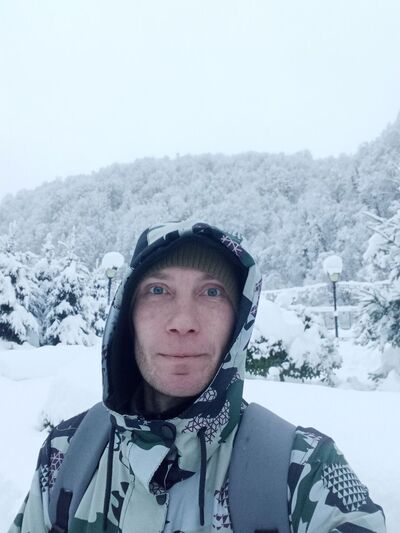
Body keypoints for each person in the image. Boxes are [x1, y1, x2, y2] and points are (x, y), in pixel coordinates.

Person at [9, 221, 386, 532]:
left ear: (237, 321)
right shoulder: (65, 455)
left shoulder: (305, 471)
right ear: (127, 316)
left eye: (211, 292)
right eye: (158, 290)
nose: (183, 322)